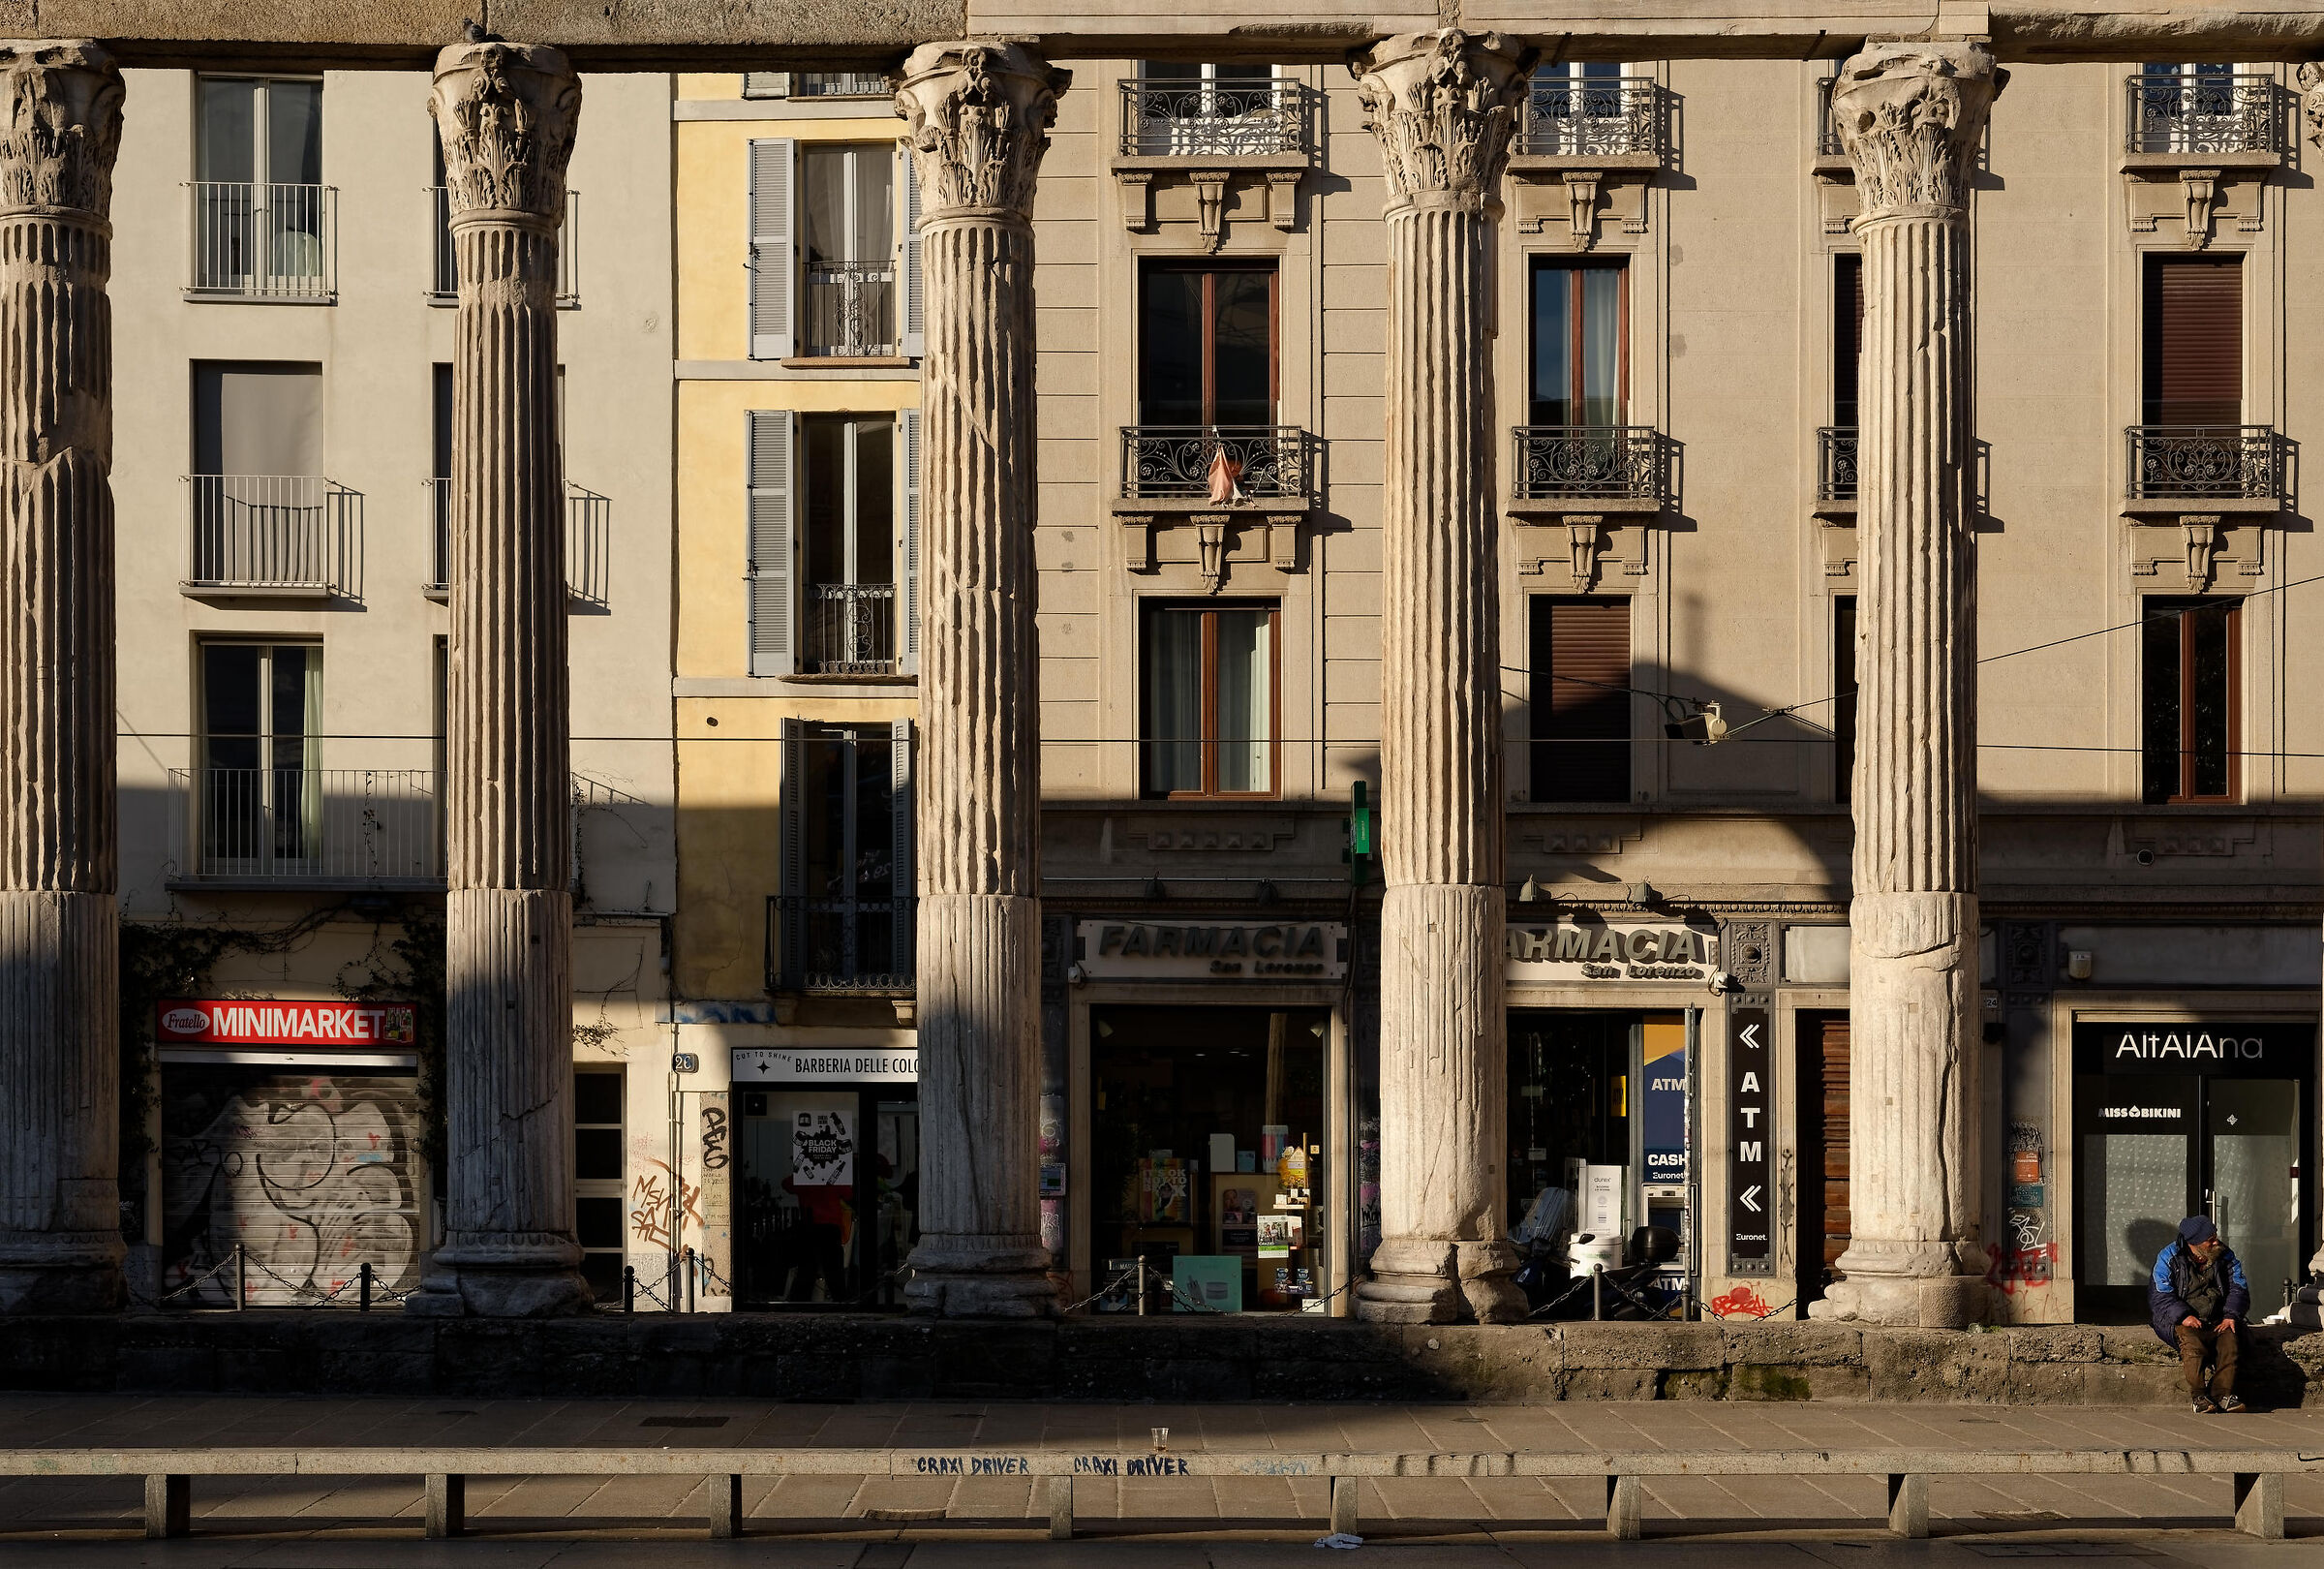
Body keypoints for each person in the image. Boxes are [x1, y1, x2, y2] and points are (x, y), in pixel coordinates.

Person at [2150, 1215, 2249, 1414]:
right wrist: (2183, 1315)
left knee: (2230, 1342)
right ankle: (2199, 1396)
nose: (2216, 1242)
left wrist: (2231, 1315)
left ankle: (2222, 1394)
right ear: (2193, 1243)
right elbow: (2160, 1295)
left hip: (2217, 1317)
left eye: (2215, 1236)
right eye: (2210, 1239)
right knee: (2192, 1345)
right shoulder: (2168, 1258)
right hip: (2180, 1318)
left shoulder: (2225, 1255)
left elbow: (2239, 1288)